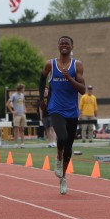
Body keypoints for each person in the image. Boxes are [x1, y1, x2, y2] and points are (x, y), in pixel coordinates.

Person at [39, 35, 86, 195]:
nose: (64, 45)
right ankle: (58, 158)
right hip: (55, 108)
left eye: (67, 43)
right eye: (61, 43)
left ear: (72, 47)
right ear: (58, 46)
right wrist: (42, 99)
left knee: (69, 147)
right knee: (63, 137)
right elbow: (42, 79)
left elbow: (82, 90)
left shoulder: (77, 65)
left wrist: (69, 78)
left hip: (72, 110)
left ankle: (63, 177)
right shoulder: (50, 64)